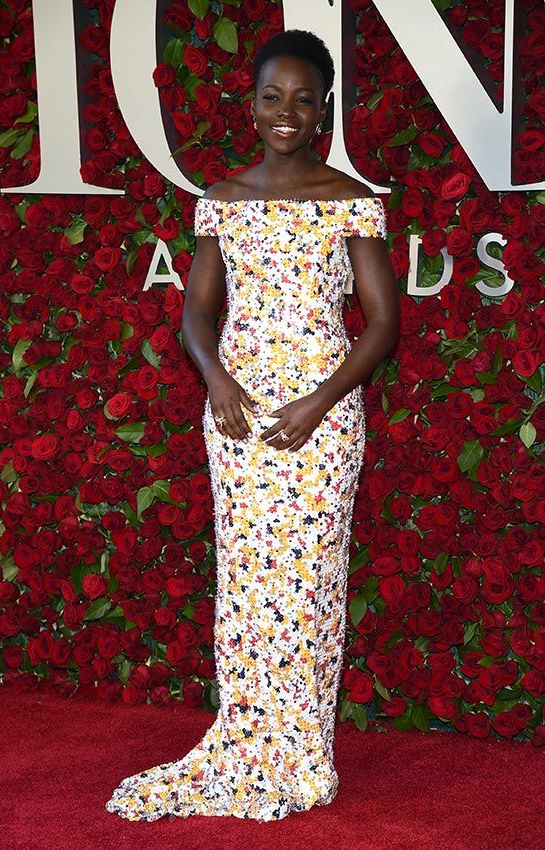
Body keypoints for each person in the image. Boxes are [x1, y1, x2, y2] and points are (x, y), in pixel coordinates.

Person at [105, 28, 399, 824]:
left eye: (304, 99)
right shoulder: (221, 200)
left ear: (324, 109)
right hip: (234, 417)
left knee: (306, 584)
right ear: (252, 103)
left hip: (321, 420)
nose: (286, 113)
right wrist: (217, 379)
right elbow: (197, 316)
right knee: (246, 587)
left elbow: (380, 325)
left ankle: (299, 750)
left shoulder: (350, 202)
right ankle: (246, 737)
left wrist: (318, 402)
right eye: (273, 97)